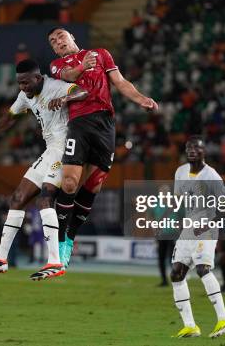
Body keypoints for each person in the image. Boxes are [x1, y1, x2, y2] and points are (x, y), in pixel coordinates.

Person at [47, 27, 158, 269]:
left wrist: (141, 99)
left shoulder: (101, 54)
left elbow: (119, 82)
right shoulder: (56, 64)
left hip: (105, 124)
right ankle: (59, 240)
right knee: (68, 184)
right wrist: (82, 67)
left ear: (73, 37)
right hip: (78, 122)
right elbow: (68, 76)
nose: (58, 42)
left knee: (93, 186)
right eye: (53, 42)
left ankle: (70, 239)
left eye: (61, 36)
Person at [0, 59, 88, 280]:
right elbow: (11, 116)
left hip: (66, 150)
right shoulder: (26, 95)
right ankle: (0, 259)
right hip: (50, 150)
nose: (22, 88)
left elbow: (83, 91)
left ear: (38, 77)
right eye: (19, 84)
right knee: (17, 198)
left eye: (26, 83)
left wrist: (65, 98)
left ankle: (55, 261)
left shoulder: (55, 86)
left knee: (45, 199)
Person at [170, 136, 225, 338]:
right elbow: (180, 202)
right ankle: (190, 326)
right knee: (176, 273)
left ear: (203, 151)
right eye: (188, 148)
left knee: (202, 269)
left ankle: (224, 319)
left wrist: (209, 223)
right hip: (188, 230)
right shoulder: (180, 172)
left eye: (196, 148)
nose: (191, 151)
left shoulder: (211, 175)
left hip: (206, 229)